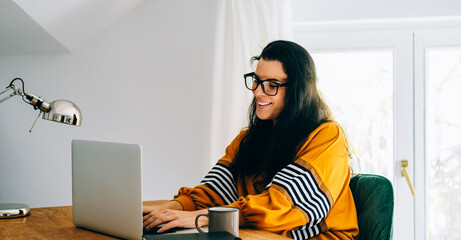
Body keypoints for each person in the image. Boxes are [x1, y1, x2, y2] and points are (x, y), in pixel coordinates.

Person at [143, 40, 359, 239]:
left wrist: (201, 217)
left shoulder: (327, 136)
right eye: (256, 80)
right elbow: (213, 191)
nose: (257, 92)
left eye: (272, 84)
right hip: (257, 234)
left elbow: (281, 206)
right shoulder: (247, 138)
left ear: (298, 90)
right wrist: (169, 209)